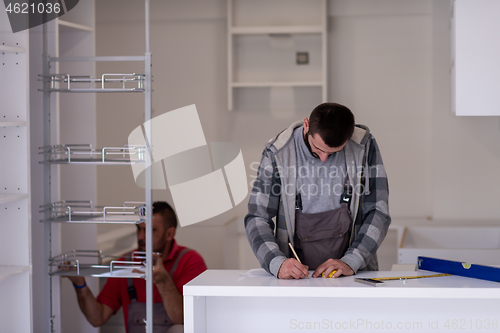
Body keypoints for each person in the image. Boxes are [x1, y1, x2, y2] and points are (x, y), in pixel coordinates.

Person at [245, 102, 390, 279]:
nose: (323, 159)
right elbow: (258, 216)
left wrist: (352, 260)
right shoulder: (277, 152)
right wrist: (276, 263)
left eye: (334, 152)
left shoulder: (363, 145)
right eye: (318, 149)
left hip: (353, 274)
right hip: (296, 279)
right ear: (306, 125)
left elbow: (378, 211)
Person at [64, 201, 207, 333]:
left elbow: (182, 320)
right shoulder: (126, 262)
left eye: (150, 231)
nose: (141, 237)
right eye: (139, 229)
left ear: (169, 234)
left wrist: (163, 282)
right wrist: (80, 285)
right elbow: (98, 318)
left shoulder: (190, 261)